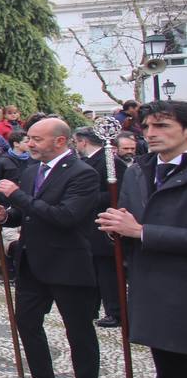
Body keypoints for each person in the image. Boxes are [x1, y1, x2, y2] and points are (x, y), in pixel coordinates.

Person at [0, 118, 102, 378]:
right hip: (34, 262)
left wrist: (17, 197)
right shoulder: (32, 171)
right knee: (26, 321)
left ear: (60, 142)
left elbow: (65, 217)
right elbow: (26, 214)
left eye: (37, 139)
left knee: (79, 334)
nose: (30, 143)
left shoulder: (82, 174)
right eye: (29, 139)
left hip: (68, 265)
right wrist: (6, 215)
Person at [97, 100, 187, 378]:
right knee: (168, 369)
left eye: (162, 126)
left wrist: (141, 231)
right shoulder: (138, 171)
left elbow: (142, 227)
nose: (151, 134)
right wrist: (116, 232)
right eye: (147, 126)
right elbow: (129, 221)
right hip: (152, 283)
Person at [73, 127, 127, 329]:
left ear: (83, 142)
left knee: (108, 272)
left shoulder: (110, 161)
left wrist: (86, 198)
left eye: (76, 142)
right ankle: (93, 307)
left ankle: (116, 312)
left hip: (105, 223)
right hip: (89, 224)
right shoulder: (87, 162)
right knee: (94, 270)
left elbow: (118, 192)